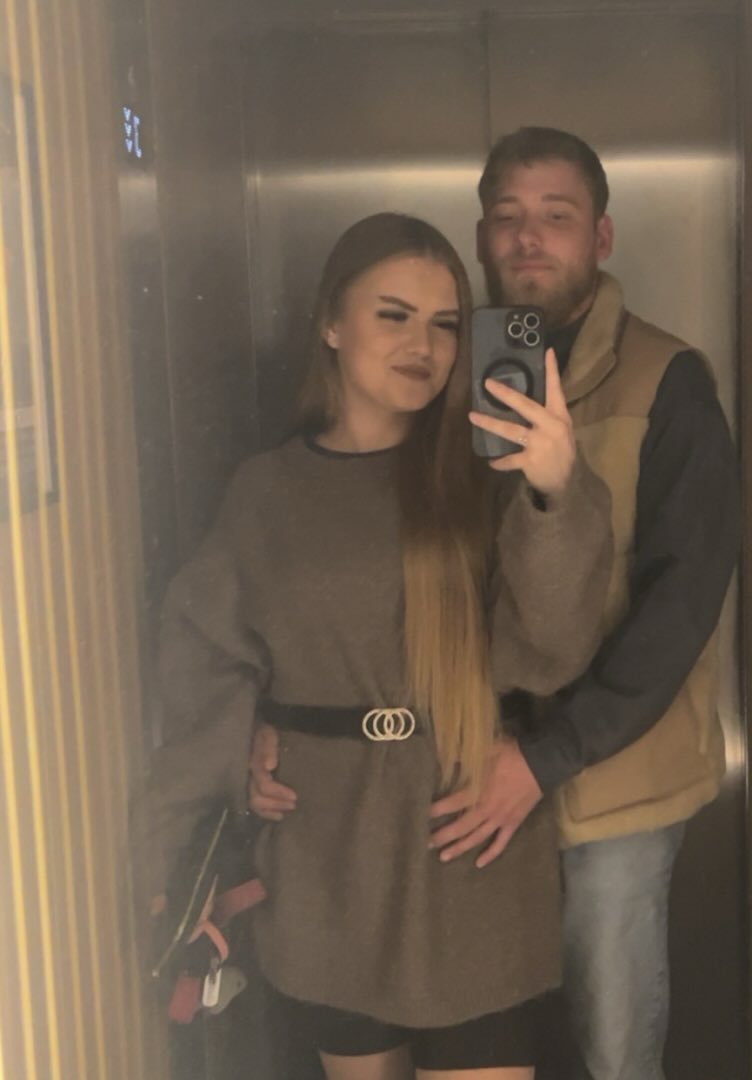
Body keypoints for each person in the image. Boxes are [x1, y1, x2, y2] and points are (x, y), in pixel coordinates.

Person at [252, 129, 741, 1080]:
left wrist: (546, 756)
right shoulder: (437, 371)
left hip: (608, 783)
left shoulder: (666, 381)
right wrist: (277, 719)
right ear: (480, 236)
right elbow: (345, 575)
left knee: (610, 1040)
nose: (529, 237)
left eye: (556, 216)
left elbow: (682, 606)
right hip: (454, 781)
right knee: (474, 1025)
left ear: (601, 237)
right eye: (507, 216)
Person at [147, 211, 613, 1080]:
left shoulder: (488, 476)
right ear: (331, 322)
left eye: (445, 324)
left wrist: (554, 493)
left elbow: (555, 648)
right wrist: (241, 752)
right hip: (329, 856)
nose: (422, 346)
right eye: (392, 315)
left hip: (465, 842)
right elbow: (207, 656)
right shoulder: (266, 492)